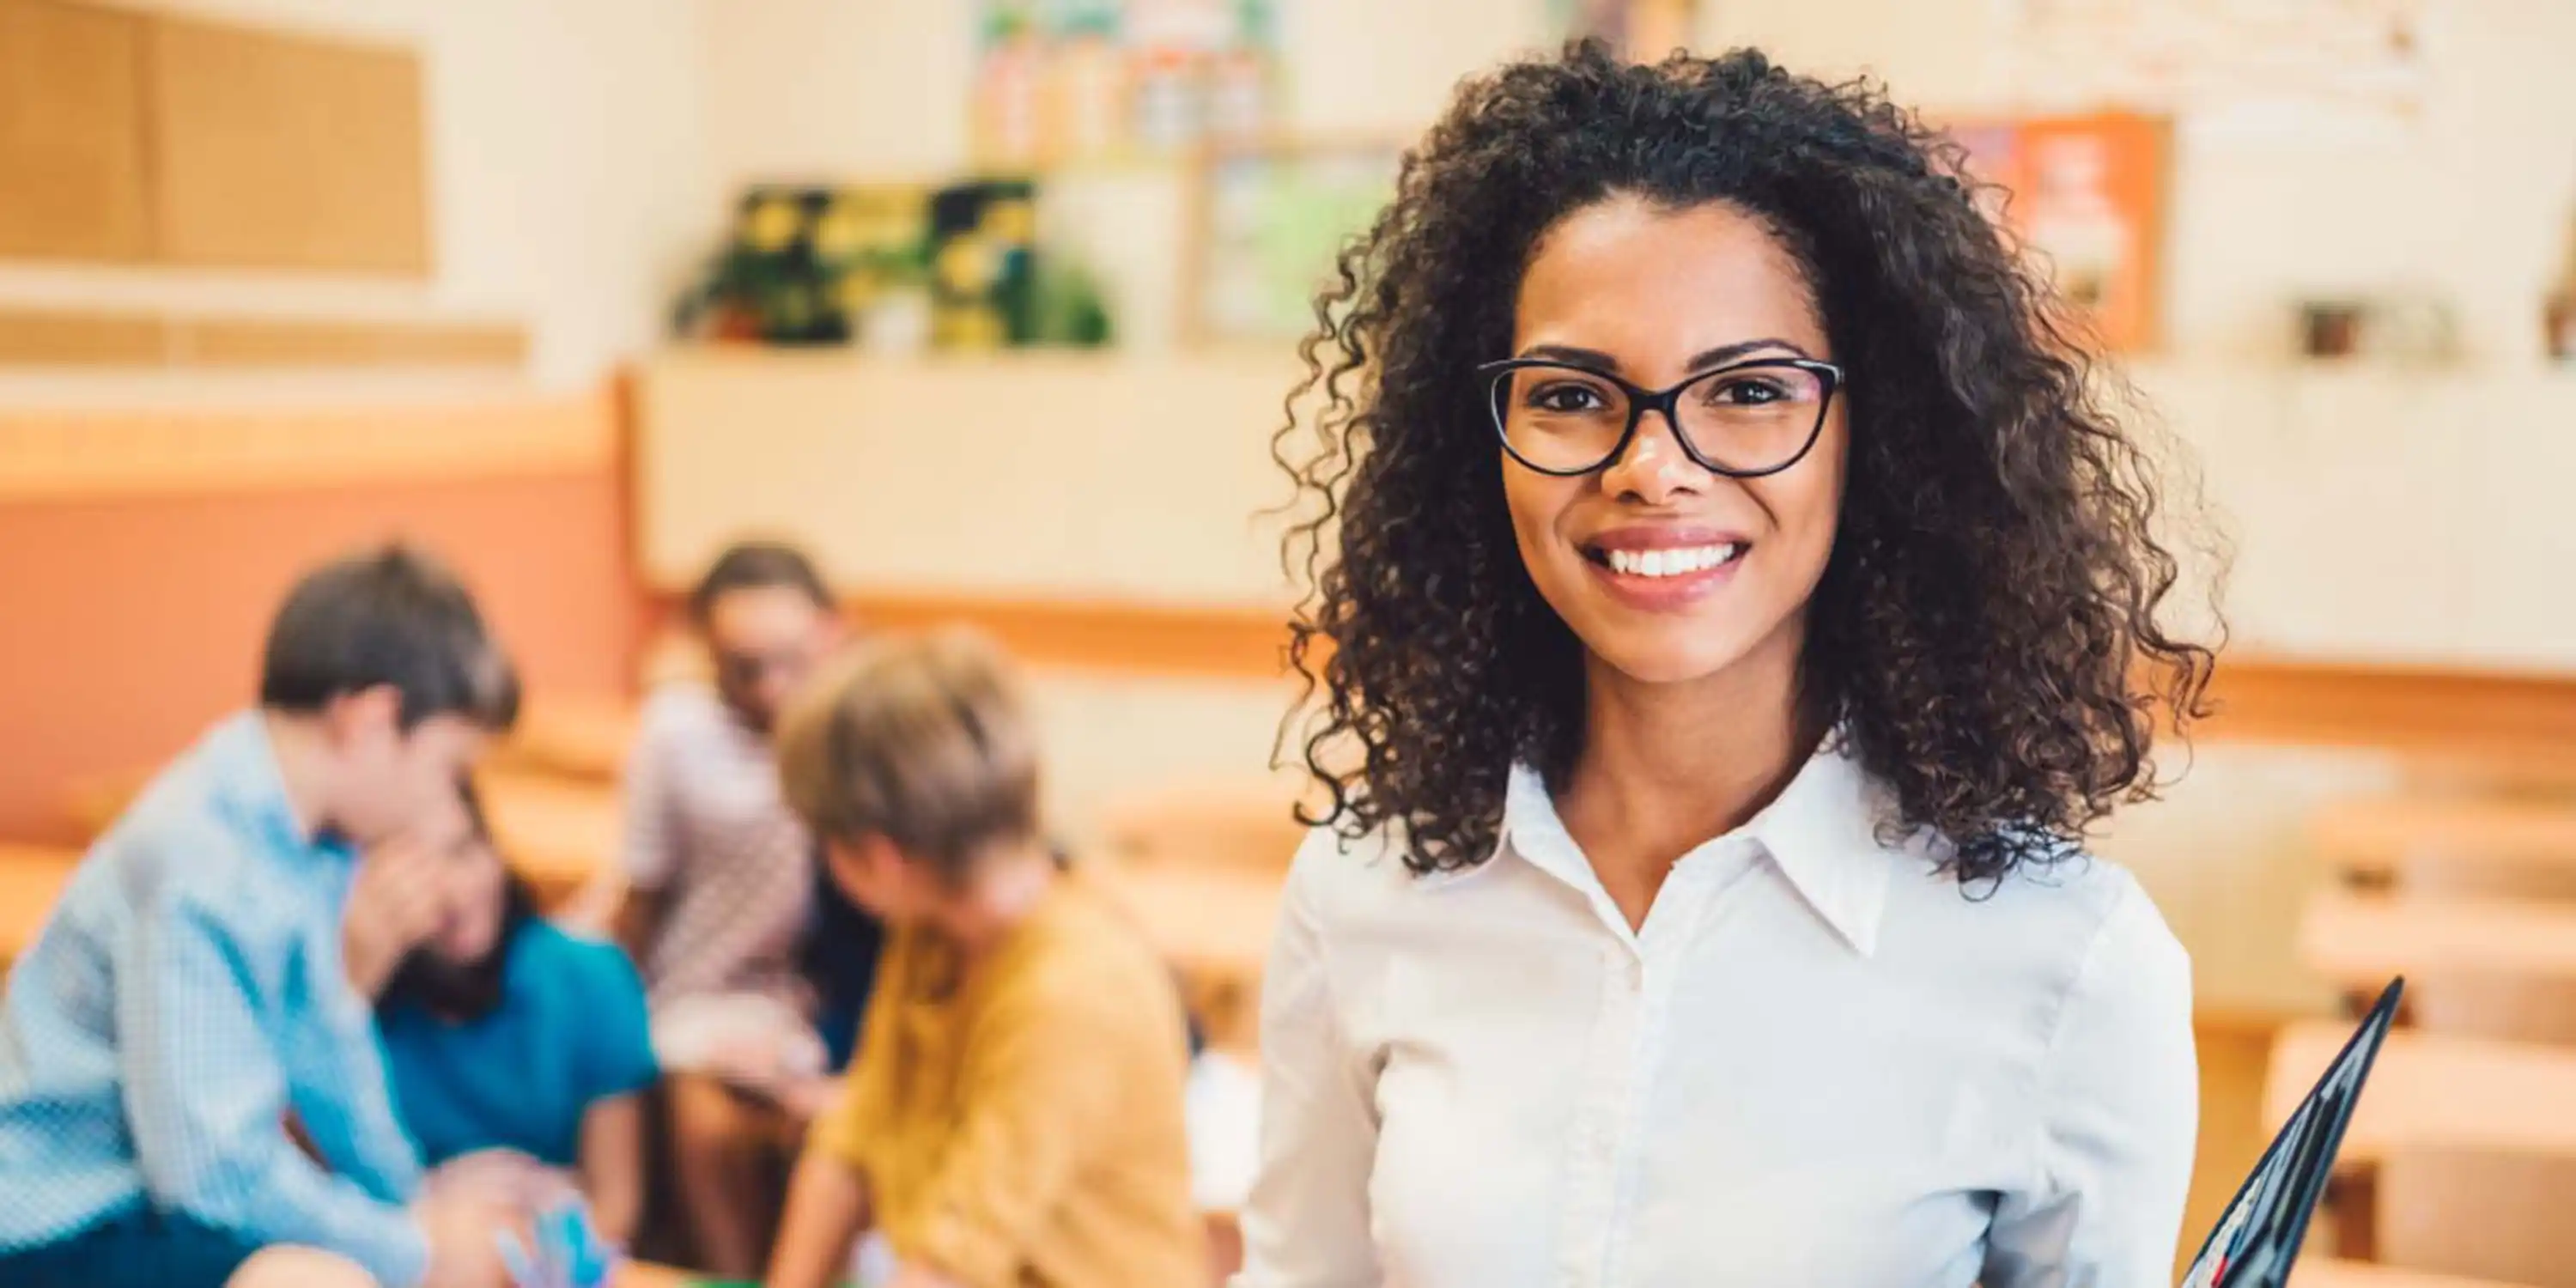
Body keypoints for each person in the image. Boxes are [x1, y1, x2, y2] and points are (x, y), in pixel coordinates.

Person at [1241, 43, 2216, 1288]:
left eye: (1750, 389)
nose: (1653, 464)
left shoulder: (2066, 964)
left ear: (1882, 435)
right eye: (1571, 395)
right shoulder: (1365, 890)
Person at [0, 544, 528, 1288]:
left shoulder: (309, 832)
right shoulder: (203, 859)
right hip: (64, 1219)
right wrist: (419, 1251)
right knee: (320, 1280)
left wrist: (414, 1206)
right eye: (446, 769)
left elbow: (321, 1053)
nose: (442, 806)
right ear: (371, 720)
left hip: (148, 1199)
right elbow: (212, 1178)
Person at [765, 630, 1203, 1288]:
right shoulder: (932, 924)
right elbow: (854, 1132)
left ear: (880, 859)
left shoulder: (1073, 991)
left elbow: (957, 1259)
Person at [598, 539, 859, 1274]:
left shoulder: (860, 735)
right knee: (705, 1121)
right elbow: (639, 899)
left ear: (835, 634)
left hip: (823, 1003)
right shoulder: (678, 735)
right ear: (705, 654)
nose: (774, 689)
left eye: (793, 661)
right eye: (745, 668)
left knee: (836, 1134)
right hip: (708, 994)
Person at [361, 781, 659, 1246]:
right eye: (417, 872)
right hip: (414, 1252)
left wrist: (543, 1248)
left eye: (463, 852)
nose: (452, 893)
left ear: (494, 850)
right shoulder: (354, 1007)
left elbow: (617, 1207)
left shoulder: (590, 977)